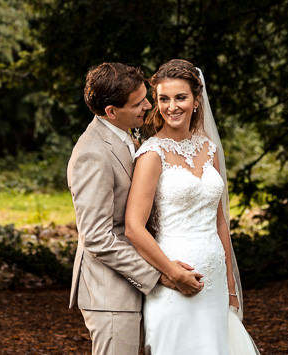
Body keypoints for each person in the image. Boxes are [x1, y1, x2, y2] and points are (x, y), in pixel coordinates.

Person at [125, 58, 260, 355]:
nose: (172, 106)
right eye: (164, 99)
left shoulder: (209, 150)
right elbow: (134, 228)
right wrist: (171, 272)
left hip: (213, 282)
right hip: (175, 279)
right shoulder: (151, 154)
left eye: (180, 97)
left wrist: (230, 285)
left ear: (197, 100)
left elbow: (220, 222)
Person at [68, 62, 204, 355]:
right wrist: (158, 274)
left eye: (145, 96)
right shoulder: (92, 153)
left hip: (136, 290)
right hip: (111, 297)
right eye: (138, 102)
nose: (148, 105)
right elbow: (96, 237)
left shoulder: (127, 135)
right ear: (111, 112)